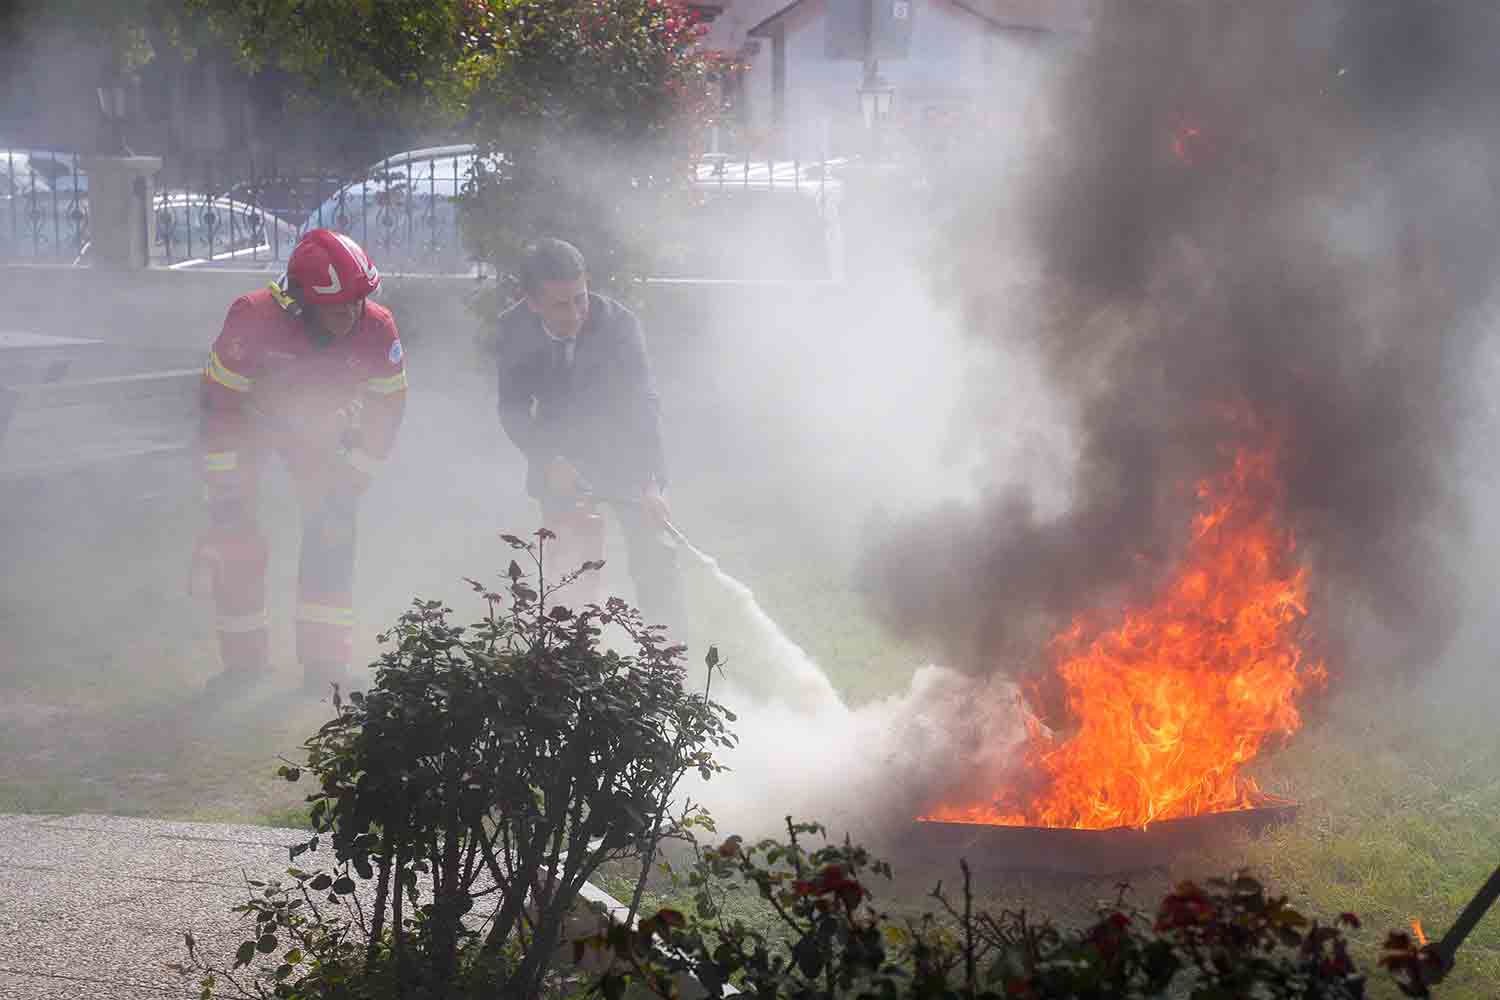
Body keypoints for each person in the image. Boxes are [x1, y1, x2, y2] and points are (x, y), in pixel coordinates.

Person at [190, 229, 407, 696]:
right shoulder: (253, 319)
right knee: (238, 543)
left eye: (358, 302)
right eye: (337, 306)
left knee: (332, 531)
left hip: (318, 433)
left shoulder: (377, 327)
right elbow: (219, 408)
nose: (351, 314)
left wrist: (356, 473)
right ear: (302, 303)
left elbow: (388, 407)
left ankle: (324, 665)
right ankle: (244, 668)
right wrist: (226, 493)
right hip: (247, 427)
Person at [494, 238, 681, 624]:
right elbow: (512, 408)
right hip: (557, 453)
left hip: (624, 449)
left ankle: (669, 652)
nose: (576, 313)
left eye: (580, 299)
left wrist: (651, 482)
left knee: (656, 553)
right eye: (560, 305)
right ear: (532, 302)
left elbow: (643, 402)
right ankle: (572, 649)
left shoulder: (621, 326)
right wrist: (548, 460)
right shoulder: (513, 328)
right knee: (567, 563)